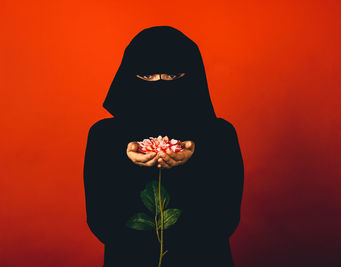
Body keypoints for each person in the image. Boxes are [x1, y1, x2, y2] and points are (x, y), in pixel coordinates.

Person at [83, 26, 244, 267]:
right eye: (147, 77)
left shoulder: (219, 135)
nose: (160, 85)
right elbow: (102, 222)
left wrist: (199, 157)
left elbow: (224, 220)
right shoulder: (104, 136)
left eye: (172, 76)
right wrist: (122, 157)